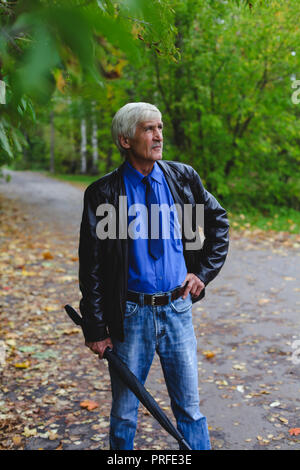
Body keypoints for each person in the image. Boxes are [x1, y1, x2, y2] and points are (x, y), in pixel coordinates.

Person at [78, 102, 229, 450]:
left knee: (189, 411)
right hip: (130, 317)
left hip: (178, 311)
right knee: (125, 413)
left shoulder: (183, 179)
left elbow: (218, 222)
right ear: (126, 139)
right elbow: (93, 267)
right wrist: (96, 328)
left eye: (159, 127)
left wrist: (202, 272)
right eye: (148, 129)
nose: (158, 135)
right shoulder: (103, 194)